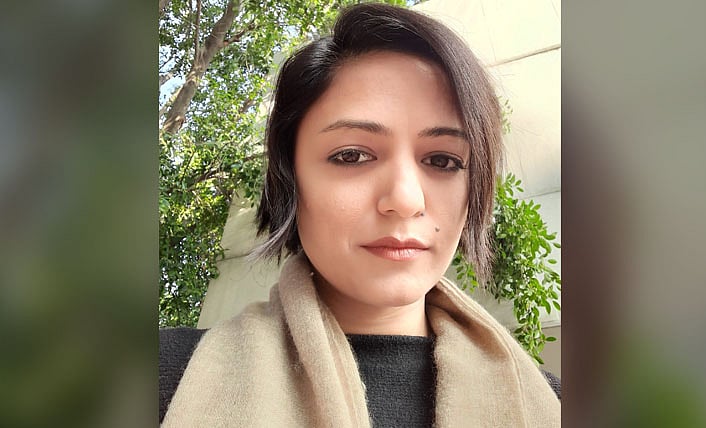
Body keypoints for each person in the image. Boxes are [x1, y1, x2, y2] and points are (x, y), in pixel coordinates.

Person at [160, 3, 561, 427]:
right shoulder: (167, 380)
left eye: (443, 161)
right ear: (290, 178)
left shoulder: (552, 406)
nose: (405, 200)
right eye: (351, 155)